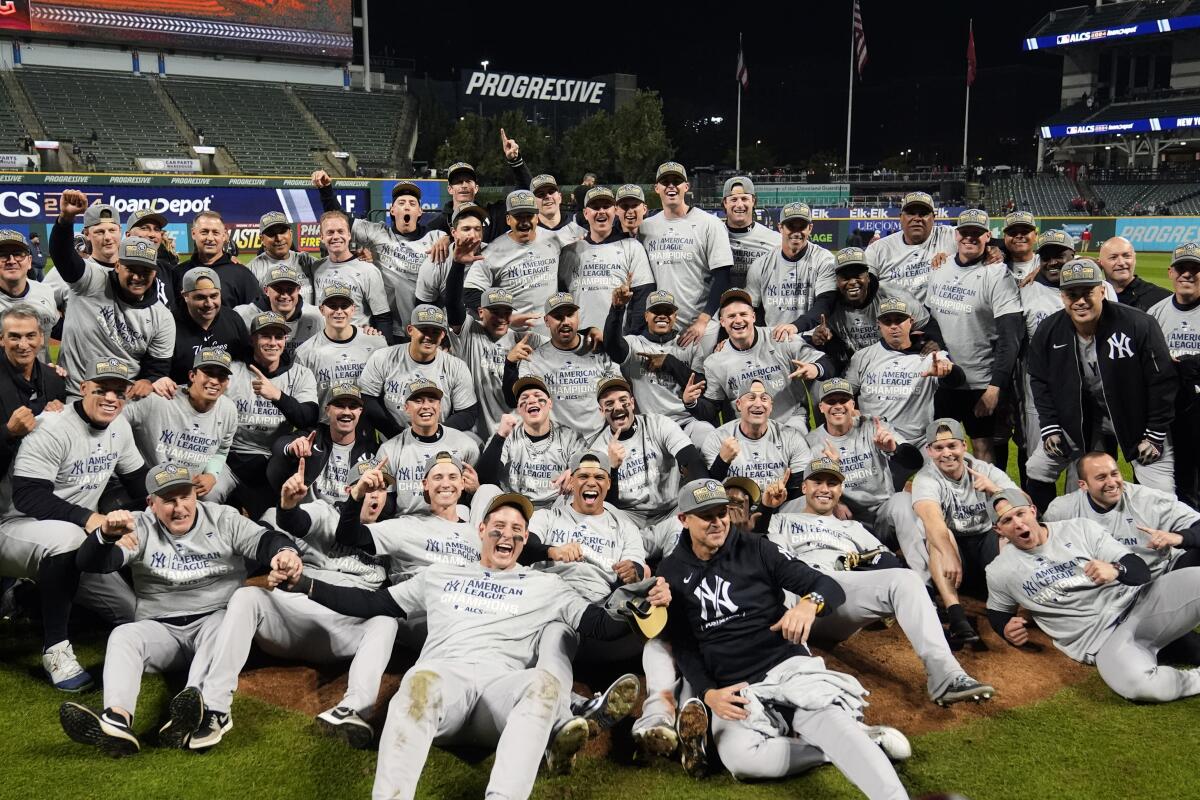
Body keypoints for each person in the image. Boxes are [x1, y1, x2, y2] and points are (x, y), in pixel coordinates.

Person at [271, 489, 670, 798]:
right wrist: (305, 583)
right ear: (480, 530)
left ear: (525, 539)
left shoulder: (547, 585)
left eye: (517, 530)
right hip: (446, 691)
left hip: (501, 700)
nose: (507, 535)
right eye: (498, 525)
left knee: (544, 684)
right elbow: (372, 602)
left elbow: (600, 625)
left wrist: (639, 604)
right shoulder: (441, 575)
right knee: (420, 680)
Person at [656, 479, 911, 797]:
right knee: (742, 760)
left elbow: (826, 585)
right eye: (706, 515)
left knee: (831, 721)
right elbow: (684, 646)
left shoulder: (757, 548)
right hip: (734, 688)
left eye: (721, 512)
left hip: (785, 667)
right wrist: (709, 694)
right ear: (683, 519)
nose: (718, 521)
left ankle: (871, 769)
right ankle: (841, 748)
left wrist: (809, 603)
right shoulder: (670, 572)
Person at [58, 462, 304, 755]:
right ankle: (117, 720)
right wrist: (105, 536)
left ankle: (195, 703)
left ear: (195, 496)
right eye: (168, 500)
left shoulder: (222, 518)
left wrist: (284, 553)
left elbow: (266, 540)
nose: (179, 508)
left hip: (214, 623)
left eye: (184, 497)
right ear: (151, 503)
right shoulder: (139, 525)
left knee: (225, 623)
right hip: (162, 630)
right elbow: (93, 563)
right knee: (124, 635)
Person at [194, 459, 398, 752]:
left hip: (341, 633)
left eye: (380, 488)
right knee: (247, 596)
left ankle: (353, 709)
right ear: (349, 490)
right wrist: (288, 506)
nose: (374, 494)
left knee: (386, 622)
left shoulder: (391, 536)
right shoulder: (325, 513)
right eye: (367, 486)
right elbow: (296, 522)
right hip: (292, 617)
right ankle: (215, 707)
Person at [765, 457, 994, 707]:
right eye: (817, 481)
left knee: (906, 578)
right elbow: (772, 560)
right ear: (805, 488)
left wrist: (859, 562)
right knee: (776, 587)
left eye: (832, 483)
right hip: (799, 597)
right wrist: (767, 509)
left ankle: (947, 676)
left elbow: (888, 562)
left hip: (841, 596)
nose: (824, 488)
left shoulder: (853, 528)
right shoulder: (781, 520)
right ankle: (786, 681)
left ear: (840, 490)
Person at [0, 358, 144, 690]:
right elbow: (28, 497)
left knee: (129, 613)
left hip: (74, 536)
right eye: (101, 390)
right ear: (82, 389)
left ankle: (30, 599)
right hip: (15, 526)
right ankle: (56, 649)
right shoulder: (52, 425)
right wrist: (90, 518)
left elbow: (138, 483)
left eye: (118, 393)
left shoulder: (119, 426)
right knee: (68, 537)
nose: (111, 398)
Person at [985, 489, 1200, 704]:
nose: (1018, 524)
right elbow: (997, 611)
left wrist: (1117, 570)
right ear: (999, 529)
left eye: (1021, 513)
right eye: (1007, 520)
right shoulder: (1000, 571)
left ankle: (1173, 645)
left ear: (1032, 511)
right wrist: (1004, 629)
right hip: (1103, 641)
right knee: (1142, 687)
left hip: (1141, 605)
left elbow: (1139, 570)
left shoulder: (1079, 528)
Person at [1027, 258, 1177, 495]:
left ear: (1102, 290)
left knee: (1161, 491)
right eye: (1072, 294)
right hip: (1080, 418)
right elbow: (1039, 379)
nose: (1080, 301)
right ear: (1062, 296)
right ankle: (1046, 526)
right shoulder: (1049, 330)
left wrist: (1155, 433)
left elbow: (1163, 381)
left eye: (1087, 292)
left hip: (1136, 418)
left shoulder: (1138, 323)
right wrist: (1050, 426)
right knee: (1037, 468)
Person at [901, 417, 1018, 648]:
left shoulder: (983, 470)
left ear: (964, 446)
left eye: (952, 445)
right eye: (939, 448)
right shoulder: (926, 479)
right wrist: (949, 554)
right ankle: (957, 616)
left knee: (1009, 531)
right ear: (929, 451)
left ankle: (1009, 610)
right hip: (954, 564)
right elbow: (932, 521)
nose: (947, 453)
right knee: (938, 538)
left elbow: (1025, 507)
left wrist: (996, 491)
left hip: (986, 547)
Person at [50, 196, 176, 399]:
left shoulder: (162, 316)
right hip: (77, 393)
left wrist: (148, 380)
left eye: (145, 270)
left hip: (124, 398)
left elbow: (157, 367)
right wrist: (66, 219)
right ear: (118, 266)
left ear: (155, 272)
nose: (137, 276)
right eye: (131, 269)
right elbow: (63, 257)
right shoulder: (91, 278)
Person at [926, 210, 1022, 464]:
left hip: (980, 382)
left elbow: (1010, 336)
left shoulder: (998, 274)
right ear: (956, 235)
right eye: (965, 232)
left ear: (988, 236)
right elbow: (931, 318)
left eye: (977, 233)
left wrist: (994, 388)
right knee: (941, 447)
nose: (970, 237)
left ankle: (986, 502)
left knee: (982, 448)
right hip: (943, 379)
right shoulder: (939, 267)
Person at [587, 376, 709, 560]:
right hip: (631, 520)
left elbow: (691, 461)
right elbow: (605, 507)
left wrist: (700, 505)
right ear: (601, 410)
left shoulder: (659, 424)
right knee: (599, 521)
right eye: (609, 403)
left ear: (632, 402)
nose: (618, 407)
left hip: (672, 510)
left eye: (623, 400)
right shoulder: (598, 449)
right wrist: (612, 468)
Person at [312, 174, 445, 338]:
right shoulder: (377, 233)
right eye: (401, 203)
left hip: (426, 325)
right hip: (391, 325)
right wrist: (326, 190)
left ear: (420, 211)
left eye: (412, 203)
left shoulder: (436, 239)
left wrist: (449, 239)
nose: (407, 207)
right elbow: (342, 221)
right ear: (392, 210)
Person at [801, 378, 922, 547]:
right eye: (830, 401)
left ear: (852, 404)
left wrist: (892, 449)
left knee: (903, 501)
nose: (837, 406)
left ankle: (922, 571)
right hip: (845, 520)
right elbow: (806, 489)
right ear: (821, 407)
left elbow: (915, 461)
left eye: (843, 400)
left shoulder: (873, 425)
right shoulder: (811, 442)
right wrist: (835, 503)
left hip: (884, 511)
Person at [222, 312, 319, 517]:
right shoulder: (232, 371)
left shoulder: (300, 374)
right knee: (211, 496)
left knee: (270, 517)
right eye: (265, 336)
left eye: (278, 336)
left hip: (275, 459)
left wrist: (277, 395)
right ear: (253, 339)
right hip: (232, 458)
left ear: (286, 339)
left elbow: (308, 417)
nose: (273, 343)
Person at [1045, 451, 1200, 578]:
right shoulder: (1061, 510)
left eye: (1114, 474)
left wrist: (1179, 537)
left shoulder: (1150, 500)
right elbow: (1041, 553)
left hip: (1159, 576)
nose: (1112, 483)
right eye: (1101, 477)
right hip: (1102, 587)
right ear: (1083, 485)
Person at [695, 289, 830, 431]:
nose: (738, 320)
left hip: (790, 422)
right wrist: (691, 402)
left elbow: (826, 363)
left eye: (743, 314)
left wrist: (814, 369)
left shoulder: (780, 338)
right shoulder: (715, 361)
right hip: (748, 431)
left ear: (753, 316)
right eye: (731, 316)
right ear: (722, 322)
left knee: (795, 433)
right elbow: (711, 408)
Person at [603, 287, 716, 448]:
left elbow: (701, 386)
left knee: (708, 435)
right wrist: (617, 309)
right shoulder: (634, 344)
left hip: (686, 423)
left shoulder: (687, 344)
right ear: (646, 316)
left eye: (668, 311)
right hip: (651, 427)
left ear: (675, 317)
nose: (662, 315)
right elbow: (611, 345)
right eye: (656, 311)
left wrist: (670, 362)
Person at [123, 348, 237, 502]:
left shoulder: (228, 409)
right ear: (192, 375)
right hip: (151, 483)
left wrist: (211, 475)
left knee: (214, 491)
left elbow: (222, 449)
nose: (215, 381)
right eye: (208, 373)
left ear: (227, 382)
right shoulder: (161, 398)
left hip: (190, 485)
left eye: (221, 376)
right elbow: (114, 419)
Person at [847, 297, 960, 450]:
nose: (893, 326)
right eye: (887, 321)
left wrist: (947, 370)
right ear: (878, 325)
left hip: (919, 443)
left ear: (911, 322)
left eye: (899, 320)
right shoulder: (863, 357)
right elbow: (846, 394)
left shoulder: (929, 356)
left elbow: (958, 380)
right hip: (874, 440)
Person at [640, 162, 734, 346]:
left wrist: (702, 321)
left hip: (699, 325)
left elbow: (722, 278)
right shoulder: (646, 227)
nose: (671, 186)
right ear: (657, 188)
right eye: (665, 182)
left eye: (677, 181)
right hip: (661, 324)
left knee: (698, 375)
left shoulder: (710, 224)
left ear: (686, 186)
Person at [507, 292, 620, 439]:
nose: (565, 321)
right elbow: (517, 399)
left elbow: (618, 394)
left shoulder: (599, 350)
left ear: (578, 316)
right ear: (546, 321)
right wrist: (509, 364)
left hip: (599, 438)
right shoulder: (533, 360)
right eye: (558, 317)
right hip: (557, 443)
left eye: (570, 315)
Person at [359, 304, 477, 439]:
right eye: (424, 330)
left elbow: (468, 413)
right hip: (393, 440)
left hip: (439, 441)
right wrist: (397, 434)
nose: (429, 336)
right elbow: (367, 399)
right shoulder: (383, 357)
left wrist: (435, 434)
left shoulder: (456, 367)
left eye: (435, 331)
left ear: (443, 334)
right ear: (410, 330)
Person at [821, 246, 939, 372]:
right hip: (856, 369)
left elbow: (926, 323)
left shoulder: (895, 295)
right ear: (836, 280)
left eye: (858, 275)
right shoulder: (829, 303)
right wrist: (825, 341)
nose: (852, 282)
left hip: (896, 368)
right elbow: (829, 339)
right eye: (845, 277)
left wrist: (936, 342)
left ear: (868, 275)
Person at [374, 377, 480, 515]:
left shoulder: (466, 445)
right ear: (406, 408)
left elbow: (474, 497)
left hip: (451, 523)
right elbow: (386, 505)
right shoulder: (389, 451)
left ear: (440, 406)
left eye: (432, 400)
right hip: (408, 524)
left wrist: (475, 491)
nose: (426, 406)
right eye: (418, 401)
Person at [558, 185, 654, 333]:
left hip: (618, 339)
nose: (601, 211)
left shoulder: (632, 247)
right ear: (586, 213)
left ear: (615, 211)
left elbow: (643, 296)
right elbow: (561, 297)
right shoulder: (570, 251)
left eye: (606, 206)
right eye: (595, 207)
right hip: (579, 340)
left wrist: (630, 339)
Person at [476, 375, 581, 510]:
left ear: (550, 404)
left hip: (555, 507)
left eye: (538, 396)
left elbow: (589, 467)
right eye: (524, 398)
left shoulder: (569, 436)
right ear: (519, 409)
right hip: (514, 506)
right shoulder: (506, 433)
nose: (531, 400)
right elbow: (484, 478)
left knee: (578, 487)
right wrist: (500, 436)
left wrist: (576, 472)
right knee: (485, 490)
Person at [1147, 242, 1200, 508]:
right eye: (1181, 268)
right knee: (1177, 482)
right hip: (1169, 413)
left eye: (1195, 269)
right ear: (1171, 273)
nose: (1187, 274)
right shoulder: (1155, 314)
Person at [463, 190, 565, 328]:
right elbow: (471, 293)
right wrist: (504, 318)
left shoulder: (555, 240)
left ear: (537, 217)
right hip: (512, 337)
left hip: (550, 334)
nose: (524, 222)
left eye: (529, 216)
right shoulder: (492, 252)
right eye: (518, 217)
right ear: (508, 219)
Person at [267, 382, 377, 506]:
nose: (346, 412)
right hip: (308, 517)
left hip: (347, 520)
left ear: (360, 412)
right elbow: (279, 445)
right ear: (327, 410)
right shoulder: (313, 436)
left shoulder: (370, 451)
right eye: (339, 406)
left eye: (352, 407)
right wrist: (292, 448)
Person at [702, 378, 810, 498]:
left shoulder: (791, 437)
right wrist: (722, 461)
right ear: (738, 404)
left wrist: (774, 503)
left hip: (780, 508)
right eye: (751, 398)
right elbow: (710, 490)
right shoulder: (717, 438)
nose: (758, 404)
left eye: (764, 398)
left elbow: (800, 490)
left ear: (771, 406)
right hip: (733, 508)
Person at [294, 285, 388, 414]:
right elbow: (302, 401)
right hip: (326, 425)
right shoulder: (305, 353)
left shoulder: (376, 342)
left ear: (353, 309)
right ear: (321, 310)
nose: (339, 311)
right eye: (332, 306)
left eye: (344, 306)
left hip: (368, 424)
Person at [744, 201, 835, 333]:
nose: (797, 232)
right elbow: (752, 309)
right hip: (773, 340)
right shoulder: (761, 264)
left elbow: (825, 303)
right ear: (780, 228)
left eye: (802, 226)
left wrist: (795, 327)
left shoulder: (824, 260)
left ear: (810, 228)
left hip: (811, 340)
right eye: (791, 226)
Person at [426, 131, 532, 243]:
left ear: (476, 188)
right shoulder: (437, 225)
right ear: (450, 189)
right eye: (458, 182)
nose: (464, 185)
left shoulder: (493, 215)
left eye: (468, 181)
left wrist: (515, 161)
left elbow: (525, 196)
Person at [0, 305, 66, 479]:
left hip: (45, 475)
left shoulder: (54, 379)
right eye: (14, 337)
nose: (23, 345)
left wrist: (60, 416)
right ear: (1, 339)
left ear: (42, 338)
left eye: (30, 336)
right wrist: (8, 431)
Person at [309, 211, 392, 338]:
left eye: (340, 231)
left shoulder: (368, 271)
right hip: (323, 346)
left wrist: (384, 352)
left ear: (349, 235)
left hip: (357, 345)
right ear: (322, 237)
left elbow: (382, 317)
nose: (336, 236)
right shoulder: (315, 267)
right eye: (330, 232)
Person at [866, 191, 957, 303]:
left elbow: (978, 236)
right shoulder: (878, 249)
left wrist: (985, 249)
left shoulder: (949, 236)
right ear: (901, 218)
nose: (917, 218)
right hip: (893, 317)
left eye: (923, 214)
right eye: (910, 213)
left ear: (933, 218)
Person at [167, 266, 251, 386]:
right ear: (185, 296)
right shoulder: (169, 325)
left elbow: (246, 360)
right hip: (181, 395)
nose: (209, 304)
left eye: (214, 296)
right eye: (200, 297)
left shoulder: (233, 319)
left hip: (225, 392)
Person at [178, 211, 261, 309]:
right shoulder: (178, 273)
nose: (210, 238)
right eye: (204, 232)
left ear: (224, 235)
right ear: (193, 233)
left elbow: (256, 313)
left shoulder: (243, 275)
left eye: (215, 232)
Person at [234, 264, 322, 349]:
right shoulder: (243, 315)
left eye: (290, 289)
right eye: (278, 289)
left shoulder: (316, 316)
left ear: (298, 290)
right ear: (266, 290)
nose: (284, 295)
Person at [0, 231, 58, 355]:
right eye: (2, 255)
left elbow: (56, 329)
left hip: (39, 373)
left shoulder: (45, 292)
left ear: (30, 261)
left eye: (18, 254)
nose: (11, 261)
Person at [721, 176, 781, 289]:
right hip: (721, 304)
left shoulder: (775, 241)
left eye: (744, 199)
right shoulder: (713, 237)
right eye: (734, 199)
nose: (739, 205)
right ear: (725, 202)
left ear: (753, 201)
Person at [246, 211, 316, 293]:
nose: (278, 238)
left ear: (290, 233)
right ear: (262, 239)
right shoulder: (251, 270)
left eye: (282, 231)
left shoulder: (308, 262)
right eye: (271, 233)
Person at [125, 209, 179, 311]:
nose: (152, 234)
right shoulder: (116, 270)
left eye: (157, 229)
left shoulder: (169, 270)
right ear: (128, 235)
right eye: (144, 228)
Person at [1097, 236, 1170, 311]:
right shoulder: (1093, 298)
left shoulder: (1162, 298)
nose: (1121, 262)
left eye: (1127, 256)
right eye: (1113, 257)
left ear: (1134, 259)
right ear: (1100, 263)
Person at [531, 174, 585, 243]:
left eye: (551, 192)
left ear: (560, 197)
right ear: (533, 202)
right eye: (541, 194)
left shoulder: (580, 234)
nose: (547, 196)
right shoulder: (525, 236)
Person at [1001, 211, 1039, 281]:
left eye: (1025, 231)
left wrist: (1043, 269)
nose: (1019, 236)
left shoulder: (1045, 262)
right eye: (1012, 232)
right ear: (1004, 238)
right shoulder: (996, 264)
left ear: (1036, 236)